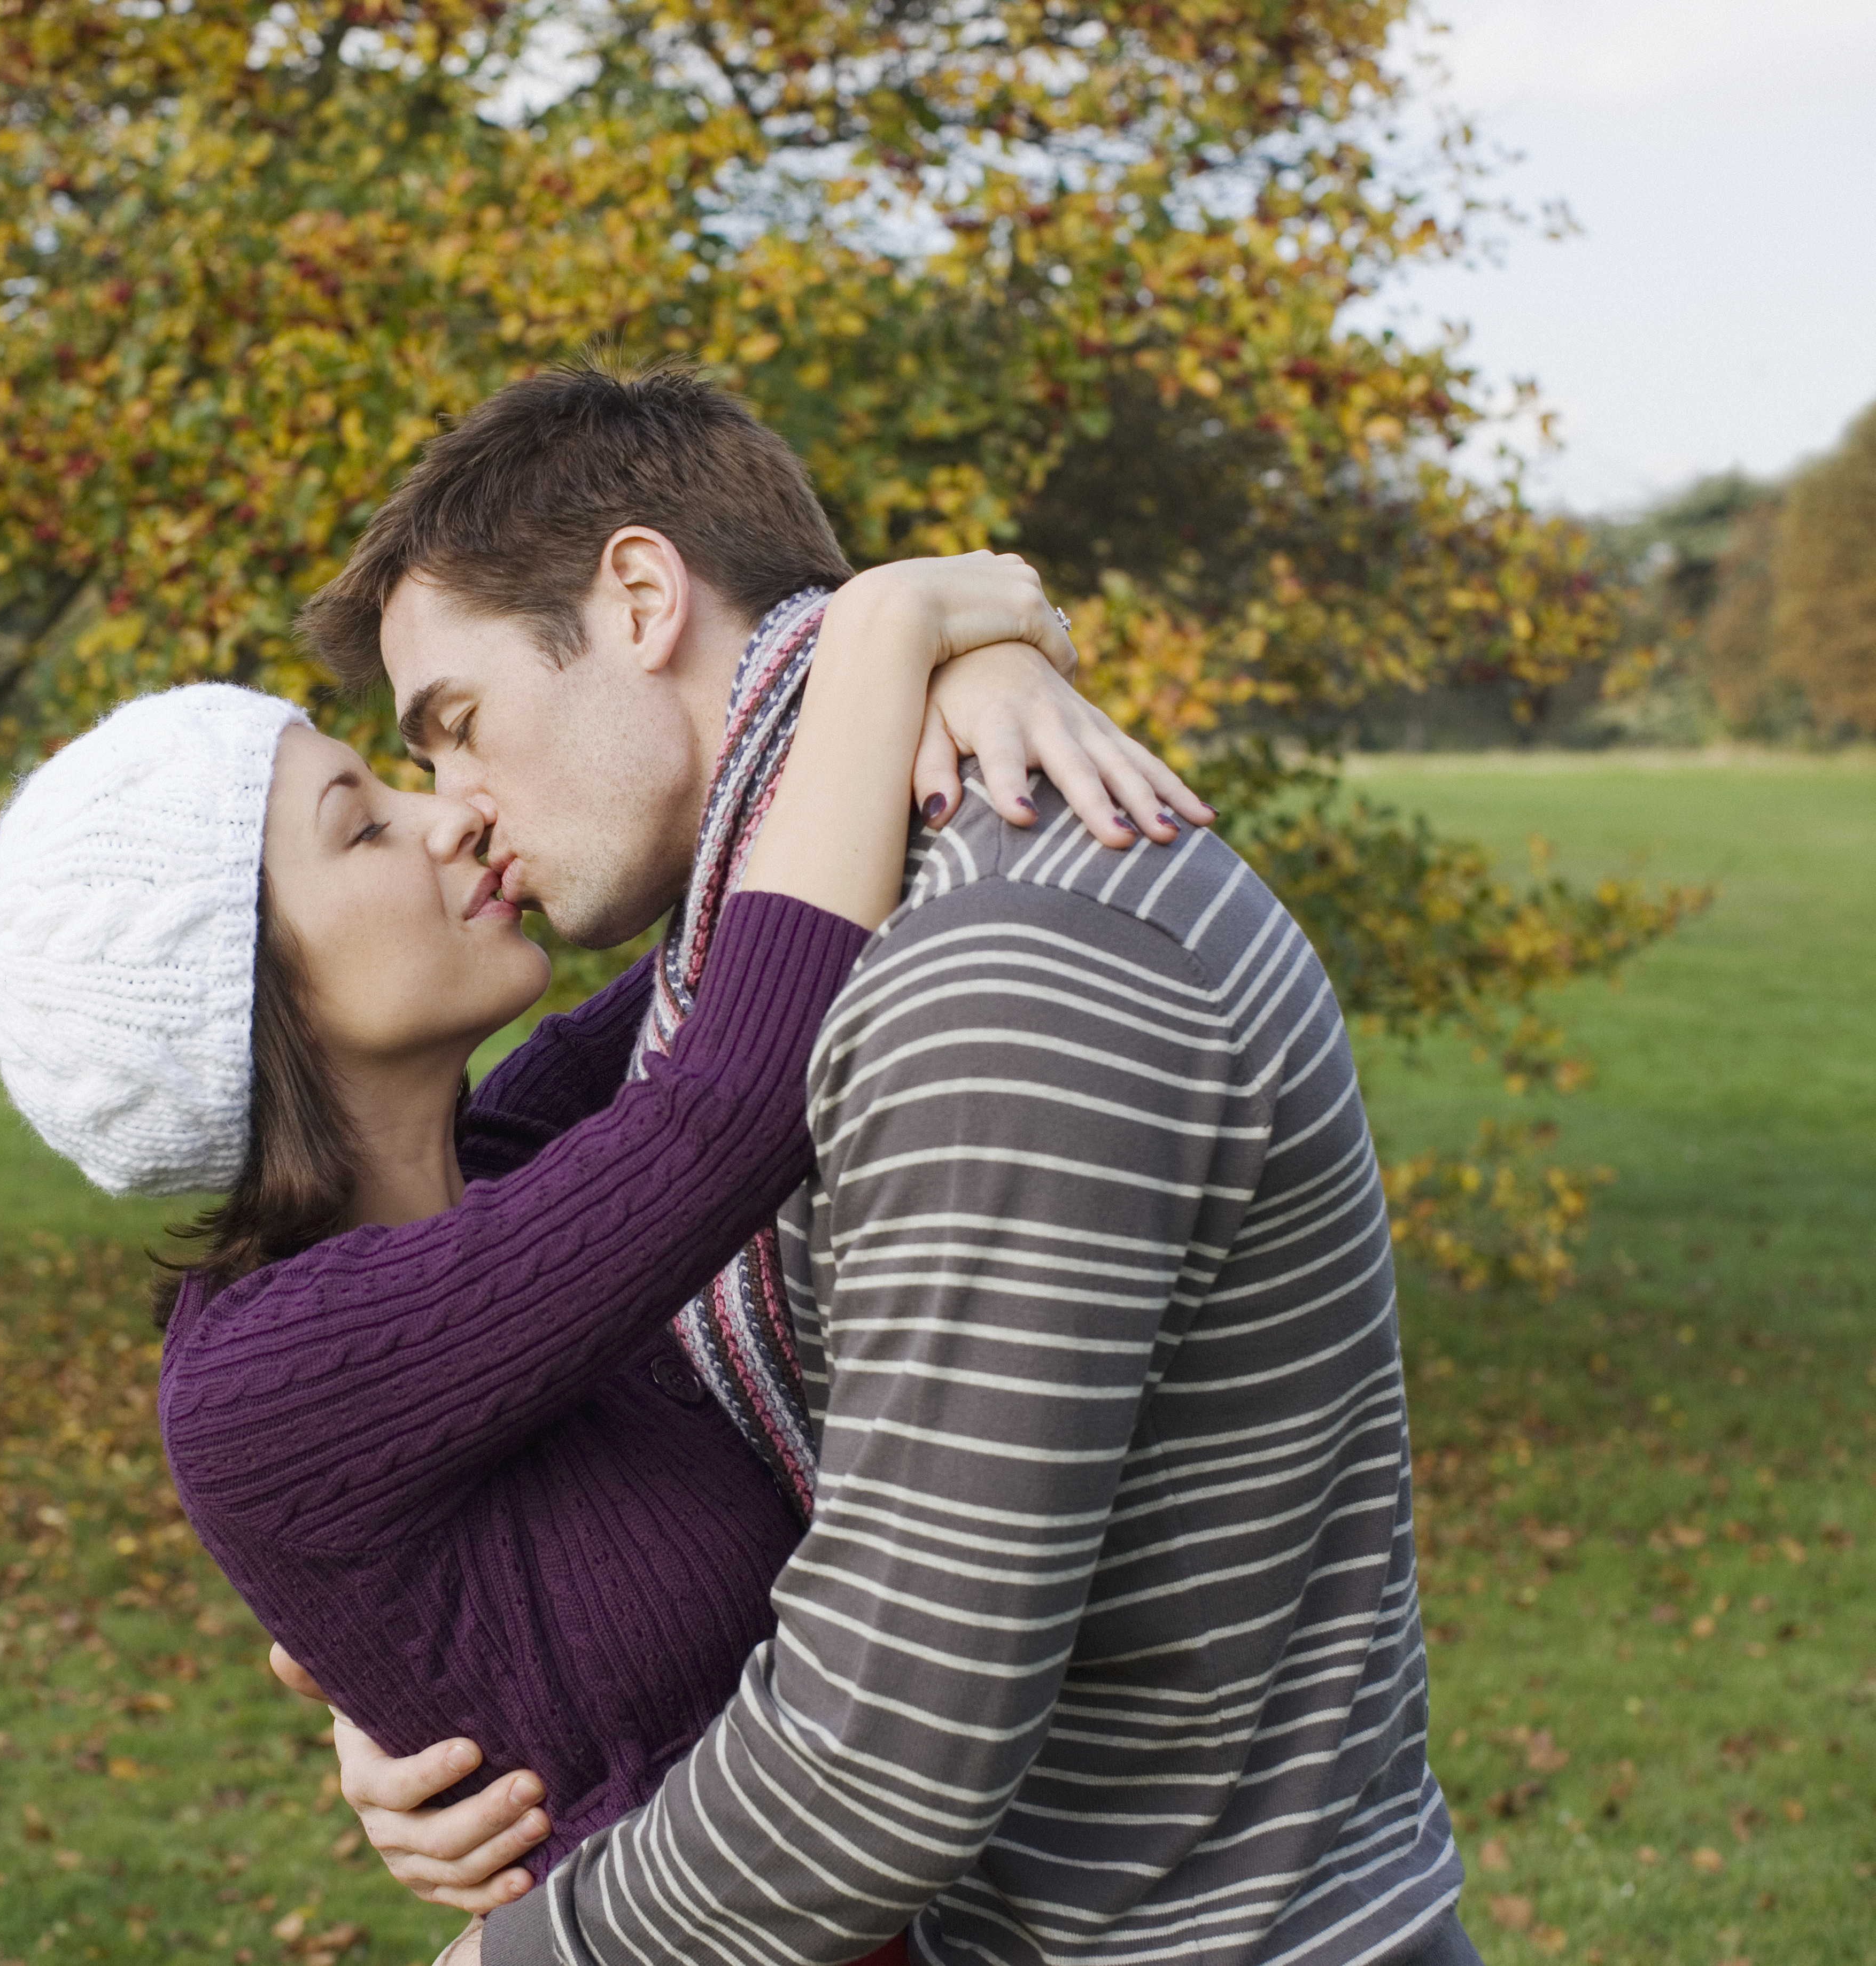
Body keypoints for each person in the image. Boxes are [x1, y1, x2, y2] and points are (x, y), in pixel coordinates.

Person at [297, 363, 1478, 1966]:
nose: (458, 812)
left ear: (641, 595)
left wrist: (525, 1959)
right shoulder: (782, 946)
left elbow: (878, 1764)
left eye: (460, 726)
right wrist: (445, 1693)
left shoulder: (991, 975)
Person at [0, 553, 1192, 1935]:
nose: (446, 815)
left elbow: (756, 921)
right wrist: (886, 633)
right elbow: (728, 1103)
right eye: (364, 826)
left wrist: (973, 675)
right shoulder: (271, 1376)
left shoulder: (488, 1166)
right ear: (249, 998)